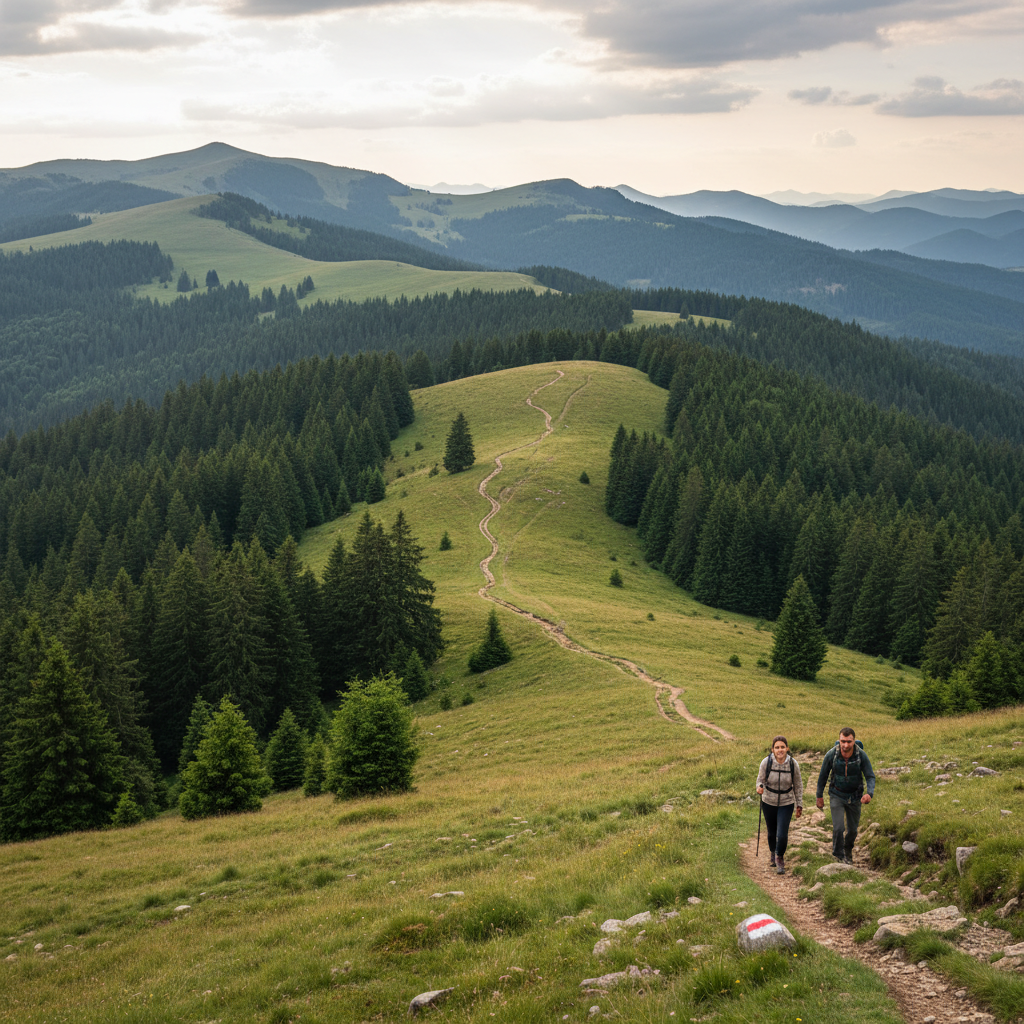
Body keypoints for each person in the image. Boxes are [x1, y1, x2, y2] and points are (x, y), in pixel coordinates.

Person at [815, 727, 876, 864]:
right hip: (837, 794)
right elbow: (822, 776)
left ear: (854, 741)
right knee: (838, 828)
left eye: (849, 741)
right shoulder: (832, 754)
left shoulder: (861, 755)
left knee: (853, 830)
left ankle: (848, 851)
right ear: (839, 740)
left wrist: (869, 793)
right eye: (843, 741)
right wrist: (819, 796)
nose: (846, 745)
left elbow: (870, 776)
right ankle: (838, 855)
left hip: (855, 796)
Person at [756, 735, 803, 875]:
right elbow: (760, 779)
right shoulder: (766, 762)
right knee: (772, 832)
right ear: (772, 749)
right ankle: (772, 851)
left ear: (787, 748)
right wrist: (759, 787)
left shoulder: (793, 764)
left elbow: (798, 785)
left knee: (782, 834)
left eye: (782, 747)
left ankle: (779, 856)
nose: (780, 750)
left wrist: (799, 804)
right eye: (777, 747)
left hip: (786, 802)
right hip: (768, 800)